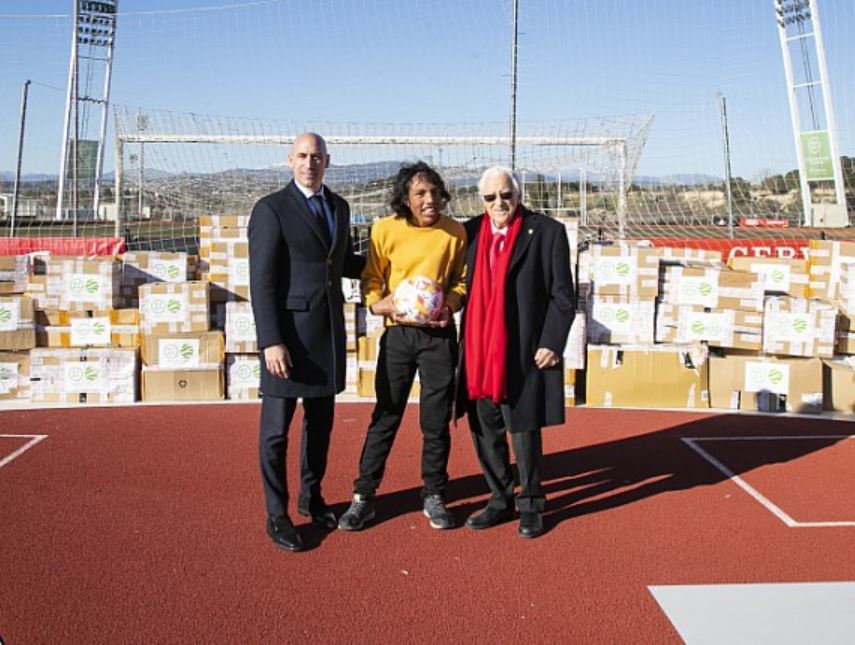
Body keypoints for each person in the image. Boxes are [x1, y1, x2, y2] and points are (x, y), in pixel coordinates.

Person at [248, 132, 365, 552]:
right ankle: (277, 514)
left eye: (316, 156)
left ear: (327, 161)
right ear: (289, 160)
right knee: (276, 433)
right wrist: (271, 341)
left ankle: (311, 496)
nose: (309, 163)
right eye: (302, 156)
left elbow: (344, 262)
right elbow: (261, 282)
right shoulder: (271, 210)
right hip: (287, 340)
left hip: (327, 335)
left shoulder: (340, 207)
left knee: (321, 427)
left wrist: (394, 258)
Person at [337, 161, 467, 531]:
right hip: (398, 335)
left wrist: (451, 307)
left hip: (438, 336)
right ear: (405, 199)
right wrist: (379, 305)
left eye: (434, 192)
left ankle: (434, 495)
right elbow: (372, 278)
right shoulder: (384, 230)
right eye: (420, 194)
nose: (430, 200)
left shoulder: (455, 233)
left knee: (435, 420)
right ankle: (364, 496)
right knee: (386, 414)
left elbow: (461, 281)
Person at [458, 166, 575, 538]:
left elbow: (563, 295)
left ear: (518, 194)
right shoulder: (469, 231)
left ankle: (532, 504)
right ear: (482, 200)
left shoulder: (546, 232)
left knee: (523, 428)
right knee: (484, 427)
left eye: (505, 195)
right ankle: (499, 497)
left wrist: (552, 342)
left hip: (523, 348)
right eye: (490, 198)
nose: (499, 203)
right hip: (477, 349)